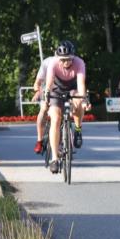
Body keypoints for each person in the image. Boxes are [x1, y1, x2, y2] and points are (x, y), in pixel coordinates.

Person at [44, 40, 88, 173]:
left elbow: (80, 84)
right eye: (62, 60)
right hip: (57, 89)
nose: (66, 62)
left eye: (69, 59)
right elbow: (49, 83)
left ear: (73, 57)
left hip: (73, 88)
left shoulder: (79, 63)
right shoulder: (53, 63)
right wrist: (47, 95)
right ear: (58, 58)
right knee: (56, 119)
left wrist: (82, 98)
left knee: (78, 102)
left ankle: (78, 130)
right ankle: (54, 158)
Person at [33, 46, 66, 154]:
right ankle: (39, 140)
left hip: (61, 91)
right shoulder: (47, 63)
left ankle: (64, 141)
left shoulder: (69, 64)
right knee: (43, 109)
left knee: (64, 112)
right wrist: (38, 91)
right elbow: (37, 82)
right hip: (47, 90)